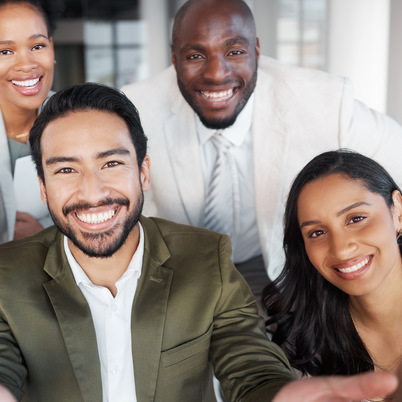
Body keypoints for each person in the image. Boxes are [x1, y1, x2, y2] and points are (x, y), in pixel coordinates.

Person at [0, 83, 397, 402]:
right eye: (66, 169)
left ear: (144, 172)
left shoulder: (208, 259)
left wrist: (282, 395)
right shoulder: (7, 276)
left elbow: (252, 367)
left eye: (111, 163)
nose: (92, 191)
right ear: (43, 188)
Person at [121, 0, 402, 295]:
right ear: (174, 59)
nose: (217, 74)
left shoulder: (323, 101)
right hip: (181, 272)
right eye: (195, 55)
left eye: (235, 51)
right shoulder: (137, 110)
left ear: (256, 50)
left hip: (284, 269)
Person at [263, 149, 402, 400]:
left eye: (356, 218)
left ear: (398, 212)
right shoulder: (300, 340)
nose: (340, 249)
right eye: (317, 233)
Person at [0, 0, 63, 241]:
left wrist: (44, 238)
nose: (27, 65)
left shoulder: (80, 120)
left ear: (52, 50)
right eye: (5, 51)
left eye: (37, 46)